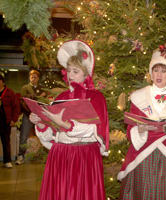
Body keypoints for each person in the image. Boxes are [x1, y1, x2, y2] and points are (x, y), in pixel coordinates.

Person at [29, 40, 109, 200]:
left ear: (87, 74)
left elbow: (95, 129)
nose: (71, 75)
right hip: (60, 155)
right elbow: (51, 134)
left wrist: (65, 124)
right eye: (69, 71)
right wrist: (41, 123)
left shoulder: (96, 98)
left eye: (76, 71)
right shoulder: (61, 97)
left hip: (84, 157)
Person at [118, 45, 166, 199]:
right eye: (156, 70)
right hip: (144, 155)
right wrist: (140, 130)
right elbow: (131, 128)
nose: (159, 75)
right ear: (151, 72)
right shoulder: (138, 97)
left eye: (164, 71)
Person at [16, 69, 46, 165]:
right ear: (29, 77)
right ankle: (21, 156)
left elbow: (44, 101)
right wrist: (38, 96)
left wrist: (39, 97)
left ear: (38, 78)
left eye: (35, 77)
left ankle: (45, 156)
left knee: (44, 135)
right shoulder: (25, 88)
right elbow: (25, 99)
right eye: (31, 77)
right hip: (28, 115)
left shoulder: (42, 89)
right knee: (23, 136)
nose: (33, 78)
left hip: (40, 116)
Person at [0, 74, 20, 168]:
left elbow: (16, 107)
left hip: (5, 120)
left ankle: (7, 161)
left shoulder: (9, 92)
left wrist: (13, 119)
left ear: (3, 82)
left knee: (6, 141)